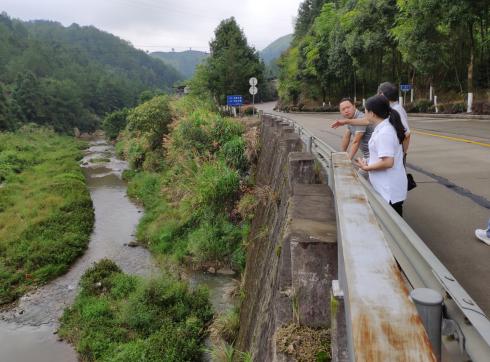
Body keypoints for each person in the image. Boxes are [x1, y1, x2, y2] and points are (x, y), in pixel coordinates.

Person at [354, 94, 407, 216]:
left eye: (365, 111)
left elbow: (388, 162)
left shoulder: (385, 133)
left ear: (372, 113)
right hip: (386, 187)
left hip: (389, 190)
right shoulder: (383, 128)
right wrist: (368, 162)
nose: (365, 114)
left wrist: (366, 168)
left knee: (393, 229)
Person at [377, 82, 411, 157]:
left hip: (395, 155)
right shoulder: (391, 108)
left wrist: (403, 154)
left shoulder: (396, 110)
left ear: (382, 95)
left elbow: (407, 134)